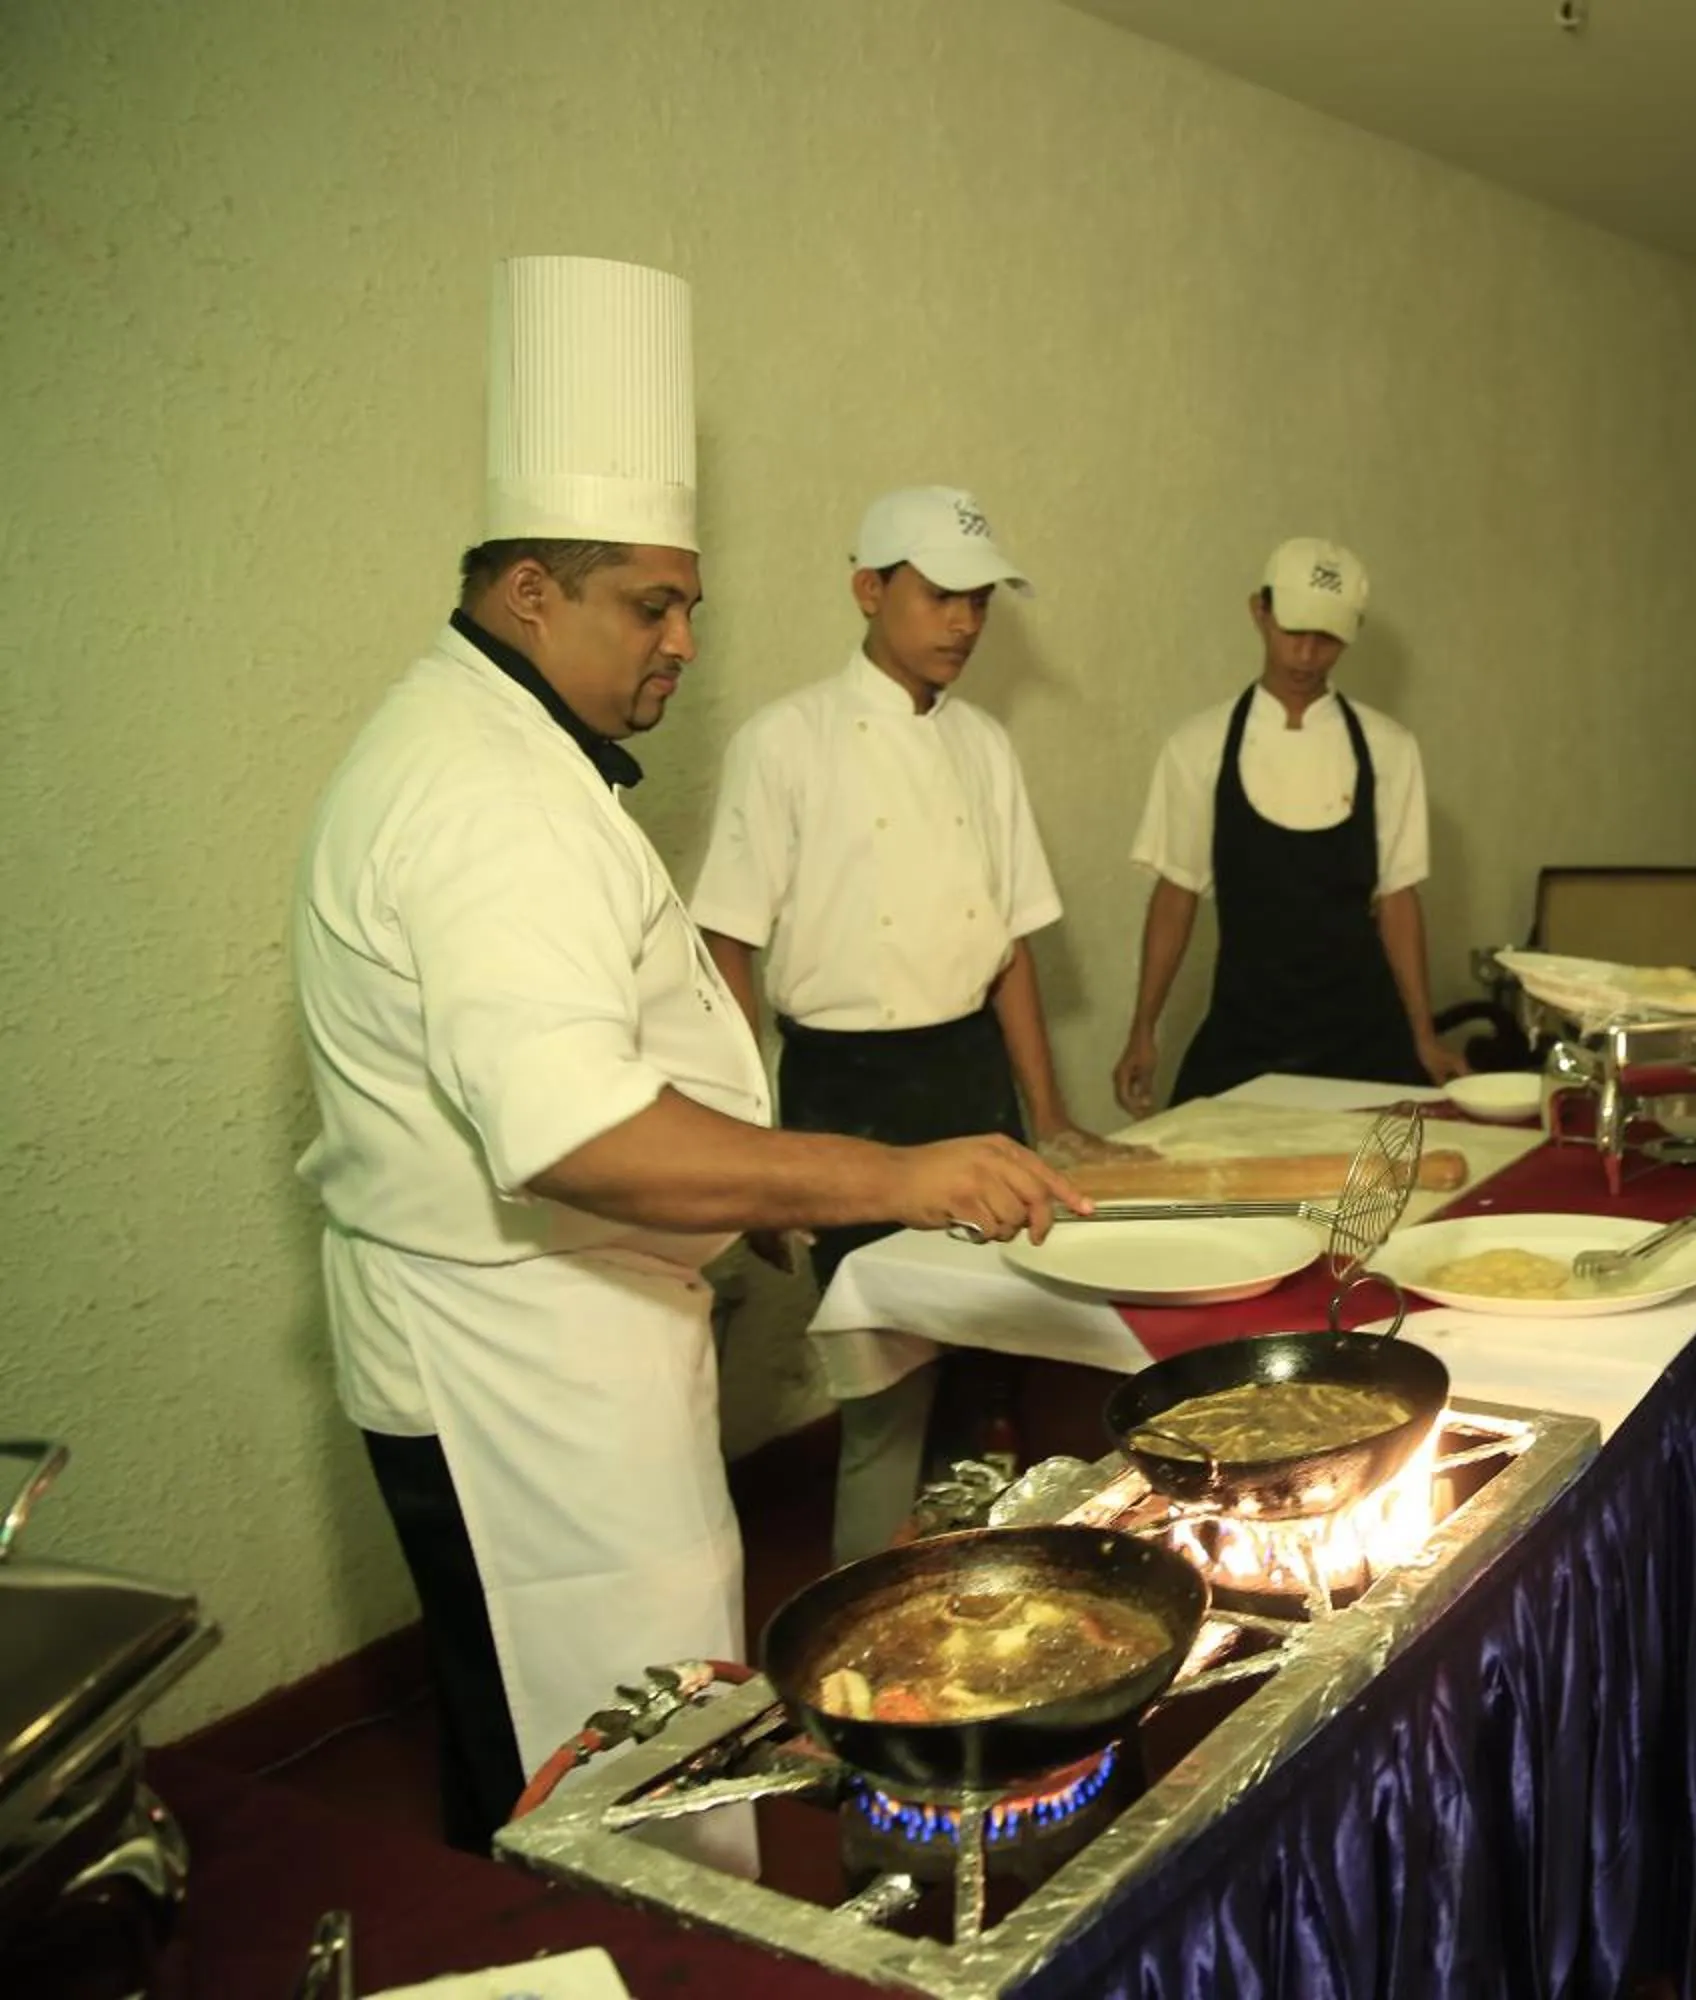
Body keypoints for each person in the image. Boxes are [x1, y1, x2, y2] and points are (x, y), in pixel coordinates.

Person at [292, 259, 1076, 1856]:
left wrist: (759, 1186)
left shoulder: (512, 751)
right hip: (515, 1364)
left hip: (576, 1331)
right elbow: (577, 1132)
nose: (682, 640)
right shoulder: (486, 793)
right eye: (649, 603)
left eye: (690, 602)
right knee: (589, 1781)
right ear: (529, 594)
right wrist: (880, 1172)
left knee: (623, 1746)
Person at [689, 485, 1144, 1562]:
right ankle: (865, 1620)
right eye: (941, 595)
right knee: (887, 1385)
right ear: (868, 588)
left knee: (995, 1362)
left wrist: (1052, 1117)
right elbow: (727, 951)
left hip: (969, 1077)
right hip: (846, 1089)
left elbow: (1011, 947)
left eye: (979, 601)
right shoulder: (783, 741)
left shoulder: (985, 745)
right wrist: (752, 1151)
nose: (964, 624)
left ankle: (987, 1597)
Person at [1111, 539, 1466, 1114]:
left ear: (1351, 634)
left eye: (1326, 639)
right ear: (1260, 611)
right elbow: (1176, 895)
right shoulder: (1197, 747)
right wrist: (1142, 1030)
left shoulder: (1389, 748)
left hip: (1364, 1037)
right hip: (1247, 1031)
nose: (1305, 655)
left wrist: (1423, 1036)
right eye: (1292, 631)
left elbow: (1399, 899)